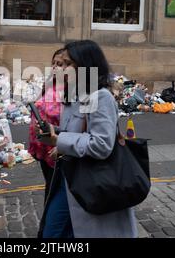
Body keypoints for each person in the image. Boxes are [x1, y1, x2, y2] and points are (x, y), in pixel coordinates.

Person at [36, 40, 138, 238]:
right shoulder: (73, 95)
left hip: (91, 180)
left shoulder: (100, 97)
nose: (61, 69)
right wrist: (54, 131)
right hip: (69, 178)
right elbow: (75, 132)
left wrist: (60, 141)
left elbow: (102, 145)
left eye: (67, 64)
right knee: (54, 230)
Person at [28, 49, 65, 202]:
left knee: (54, 189)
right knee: (50, 185)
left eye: (60, 64)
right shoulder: (51, 84)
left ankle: (49, 222)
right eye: (53, 63)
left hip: (57, 147)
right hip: (42, 145)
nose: (55, 67)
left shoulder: (72, 89)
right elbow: (38, 103)